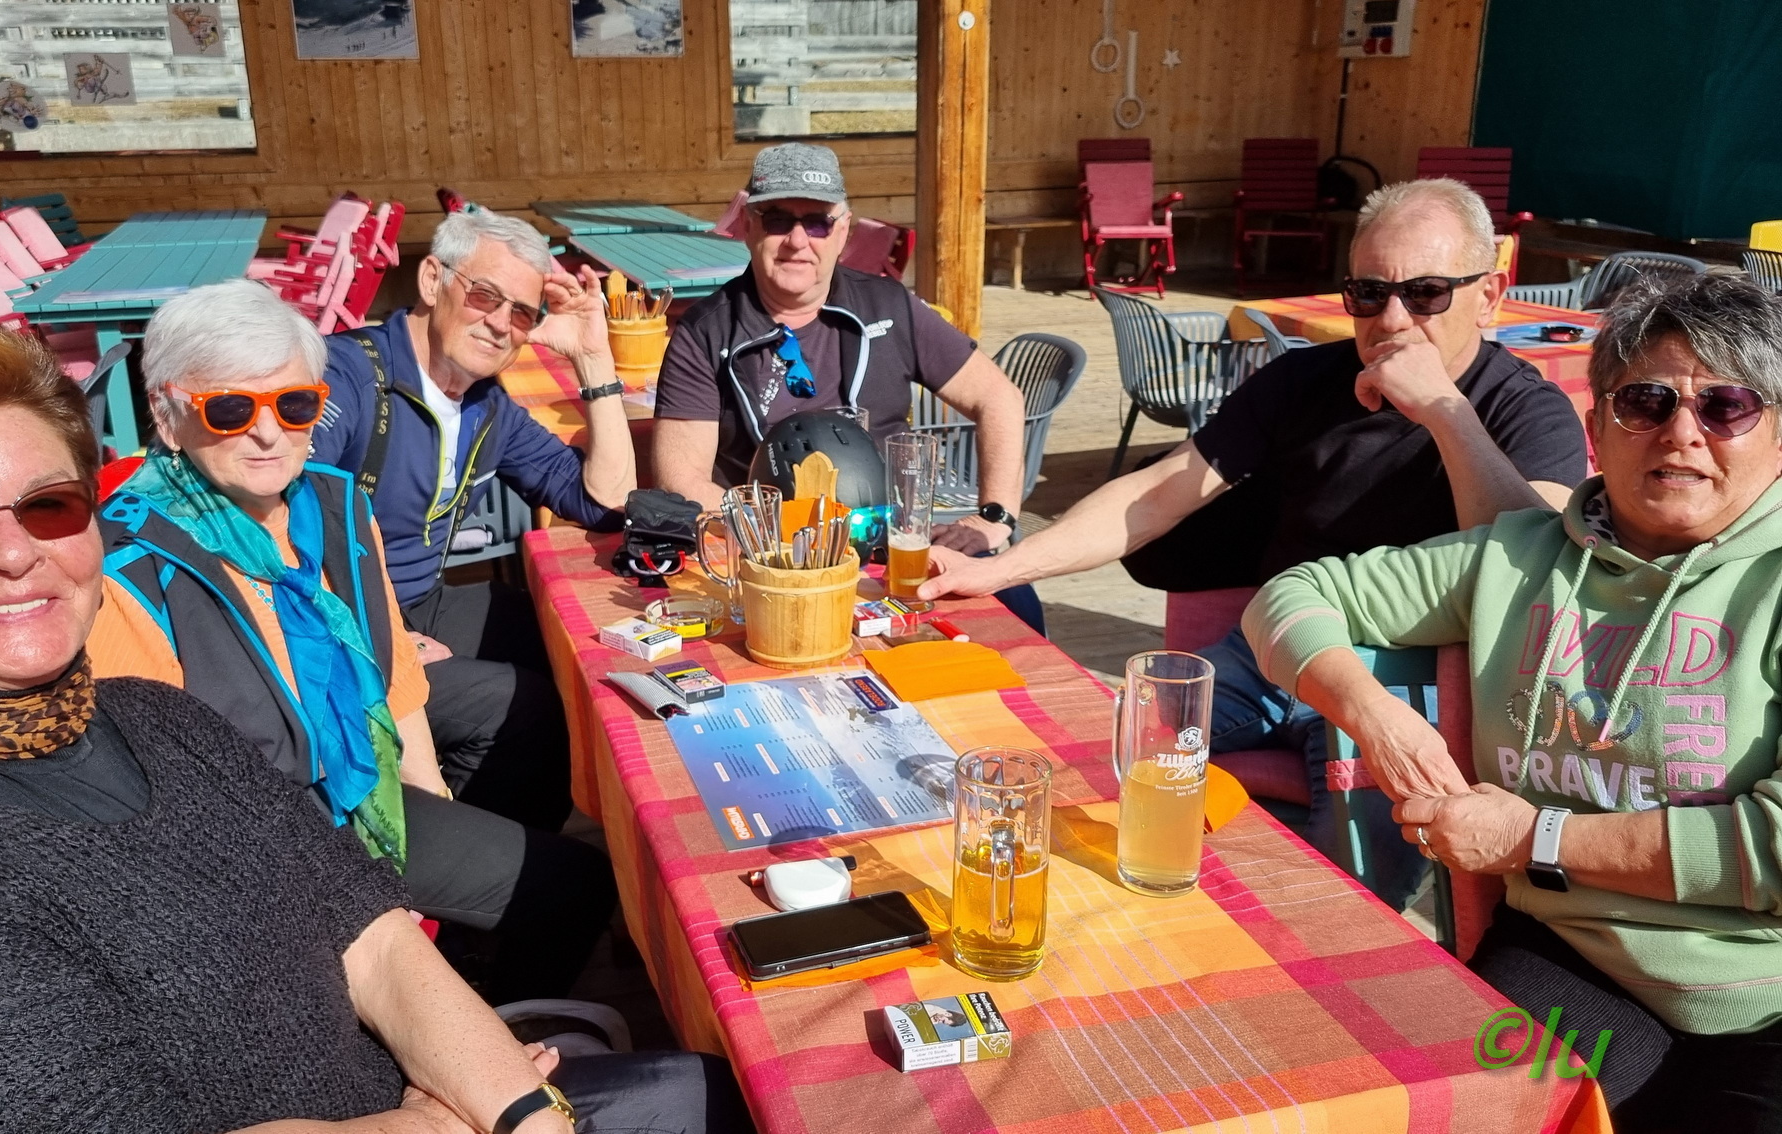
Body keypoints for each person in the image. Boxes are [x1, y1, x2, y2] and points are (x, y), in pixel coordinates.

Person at [0, 320, 750, 1133]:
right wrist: (432, 1124)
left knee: (714, 1093)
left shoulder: (157, 722)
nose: (15, 554)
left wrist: (522, 1114)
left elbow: (373, 937)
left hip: (406, 1092)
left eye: (51, 506)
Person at [919, 178, 1591, 909]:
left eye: (1425, 293)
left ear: (1489, 296)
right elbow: (1160, 493)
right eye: (1368, 294)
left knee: (1340, 908)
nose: (1392, 320)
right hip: (1274, 650)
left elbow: (1532, 568)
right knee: (1090, 762)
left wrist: (1442, 410)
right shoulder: (1304, 379)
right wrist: (1000, 568)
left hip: (1414, 684)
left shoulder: (1526, 410)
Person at [1244, 273, 1782, 1130]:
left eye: (1727, 406)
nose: (1682, 432)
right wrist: (1376, 717)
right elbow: (1289, 597)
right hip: (1574, 959)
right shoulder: (1517, 558)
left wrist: (1535, 837)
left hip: (1764, 995)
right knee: (1450, 1111)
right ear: (1597, 428)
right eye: (1646, 401)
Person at [88, 280, 616, 1005]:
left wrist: (424, 830)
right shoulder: (128, 571)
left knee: (554, 840)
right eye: (231, 409)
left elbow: (395, 687)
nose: (268, 434)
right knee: (574, 888)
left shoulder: (335, 502)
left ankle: (478, 996)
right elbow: (164, 820)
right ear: (168, 416)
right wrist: (369, 900)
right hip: (264, 858)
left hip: (361, 790)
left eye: (294, 405)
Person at [310, 207, 634, 832]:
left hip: (417, 599)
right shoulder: (347, 376)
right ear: (433, 281)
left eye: (523, 313)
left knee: (572, 640)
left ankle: (518, 834)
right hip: (335, 629)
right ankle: (466, 852)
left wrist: (596, 360)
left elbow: (603, 501)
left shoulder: (484, 403)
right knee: (522, 706)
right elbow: (274, 522)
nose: (500, 324)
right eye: (484, 295)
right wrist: (382, 638)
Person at [653, 142, 1045, 632]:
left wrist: (993, 518)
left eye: (817, 223)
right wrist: (782, 544)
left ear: (843, 231)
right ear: (749, 226)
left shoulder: (889, 306)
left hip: (892, 547)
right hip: (775, 559)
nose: (798, 241)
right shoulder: (705, 331)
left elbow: (998, 397)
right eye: (778, 220)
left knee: (1018, 606)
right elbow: (681, 478)